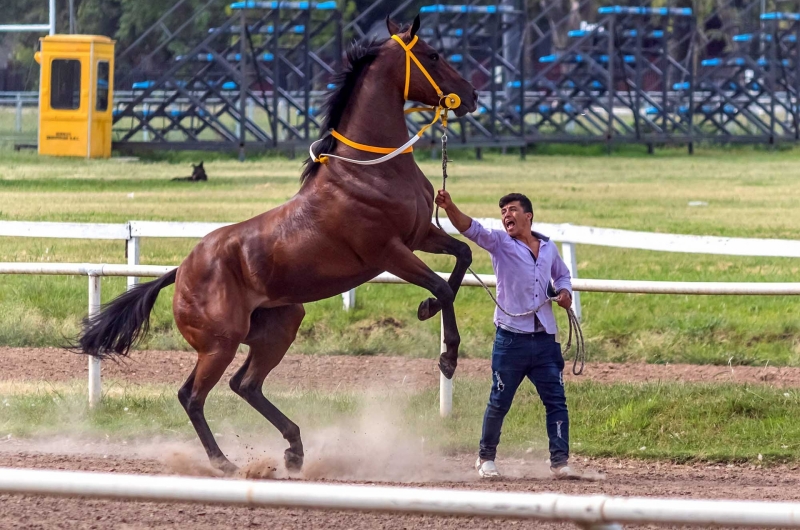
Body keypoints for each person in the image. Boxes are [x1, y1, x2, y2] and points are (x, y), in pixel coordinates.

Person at [435, 189, 580, 480]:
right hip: (511, 338)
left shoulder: (549, 248)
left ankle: (560, 462)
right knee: (500, 401)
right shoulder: (500, 243)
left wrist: (564, 293)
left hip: (544, 339)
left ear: (528, 216)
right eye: (503, 212)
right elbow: (471, 229)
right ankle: (485, 458)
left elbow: (562, 275)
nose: (506, 216)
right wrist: (450, 206)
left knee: (556, 400)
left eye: (512, 210)